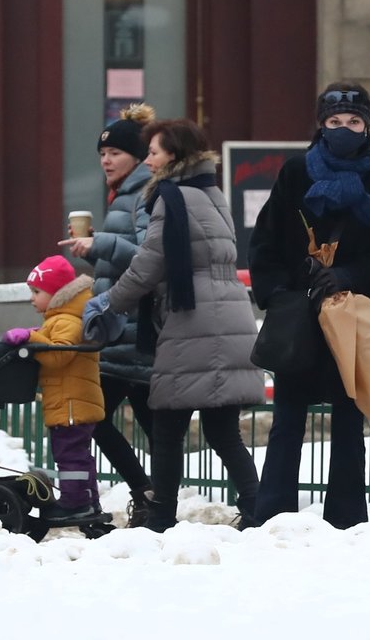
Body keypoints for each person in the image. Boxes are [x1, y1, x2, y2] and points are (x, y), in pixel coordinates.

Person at [247, 82, 370, 530]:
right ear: (320, 125)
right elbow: (266, 240)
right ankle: (272, 516)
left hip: (352, 315)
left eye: (354, 122)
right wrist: (280, 292)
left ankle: (348, 518)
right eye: (335, 122)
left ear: (367, 126)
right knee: (288, 419)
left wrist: (348, 277)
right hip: (300, 315)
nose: (344, 129)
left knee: (348, 419)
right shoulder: (296, 173)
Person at [93, 118, 264, 532]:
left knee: (168, 425)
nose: (147, 161)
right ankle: (259, 508)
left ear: (175, 156)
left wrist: (109, 303)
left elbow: (148, 264)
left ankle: (161, 518)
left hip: (192, 323)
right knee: (223, 431)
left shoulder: (169, 197)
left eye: (154, 153)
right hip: (228, 315)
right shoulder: (211, 192)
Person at [57, 103, 156, 527]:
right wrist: (91, 252)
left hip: (135, 331)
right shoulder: (125, 195)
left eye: (114, 153)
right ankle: (154, 496)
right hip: (121, 332)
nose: (105, 161)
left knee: (89, 415)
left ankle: (151, 495)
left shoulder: (146, 194)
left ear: (135, 156)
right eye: (101, 155)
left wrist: (99, 246)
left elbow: (152, 259)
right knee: (151, 429)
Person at [2, 255, 105, 523]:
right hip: (72, 401)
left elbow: (58, 355)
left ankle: (75, 503)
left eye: (37, 291)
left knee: (69, 456)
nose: (32, 298)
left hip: (71, 403)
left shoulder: (67, 320)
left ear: (57, 292)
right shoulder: (63, 318)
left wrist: (31, 337)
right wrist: (38, 333)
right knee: (79, 456)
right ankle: (88, 503)